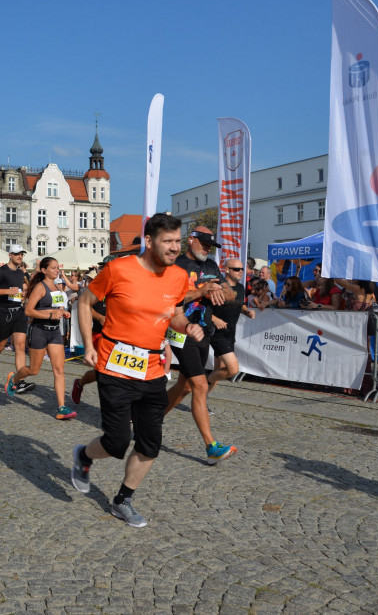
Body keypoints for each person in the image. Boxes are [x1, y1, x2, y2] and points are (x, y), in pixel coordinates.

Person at [70, 213, 199, 528]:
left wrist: (188, 327)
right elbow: (85, 302)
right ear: (150, 241)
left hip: (153, 370)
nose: (173, 248)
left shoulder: (179, 276)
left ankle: (122, 500)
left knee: (150, 443)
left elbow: (174, 317)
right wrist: (88, 345)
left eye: (177, 241)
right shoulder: (118, 269)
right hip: (116, 366)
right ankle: (84, 456)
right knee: (116, 442)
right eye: (167, 242)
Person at [166, 226, 235, 465]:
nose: (207, 249)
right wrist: (200, 292)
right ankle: (211, 445)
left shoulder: (212, 266)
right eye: (203, 243)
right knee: (199, 385)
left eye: (210, 246)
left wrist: (220, 290)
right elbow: (170, 300)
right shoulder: (176, 266)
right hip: (180, 330)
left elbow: (231, 296)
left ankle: (150, 420)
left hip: (204, 330)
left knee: (183, 388)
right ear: (191, 240)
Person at [4, 257, 76, 419]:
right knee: (33, 370)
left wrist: (63, 312)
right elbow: (28, 311)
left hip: (55, 332)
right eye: (53, 268)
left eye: (57, 267)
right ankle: (14, 379)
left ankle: (61, 408)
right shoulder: (39, 287)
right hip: (39, 331)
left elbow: (57, 306)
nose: (57, 270)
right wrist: (50, 314)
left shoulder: (58, 286)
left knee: (59, 370)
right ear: (44, 270)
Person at [0, 245, 32, 392]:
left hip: (18, 312)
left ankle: (20, 381)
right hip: (3, 313)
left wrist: (22, 295)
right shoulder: (1, 271)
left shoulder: (20, 272)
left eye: (21, 254)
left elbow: (17, 291)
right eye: (17, 254)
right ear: (10, 255)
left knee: (21, 345)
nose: (20, 256)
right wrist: (8, 291)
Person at [206, 259, 253, 399]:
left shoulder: (240, 287)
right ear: (226, 270)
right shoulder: (218, 286)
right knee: (233, 370)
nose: (240, 272)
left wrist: (247, 312)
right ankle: (203, 382)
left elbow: (240, 305)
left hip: (230, 333)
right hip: (217, 333)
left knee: (218, 371)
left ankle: (201, 399)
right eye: (236, 269)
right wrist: (214, 319)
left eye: (241, 269)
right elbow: (202, 307)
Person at [71, 269, 105, 405]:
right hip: (98, 333)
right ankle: (79, 383)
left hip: (117, 336)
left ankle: (125, 408)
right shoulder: (93, 289)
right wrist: (100, 317)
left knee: (116, 372)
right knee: (102, 371)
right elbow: (84, 305)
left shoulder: (118, 286)